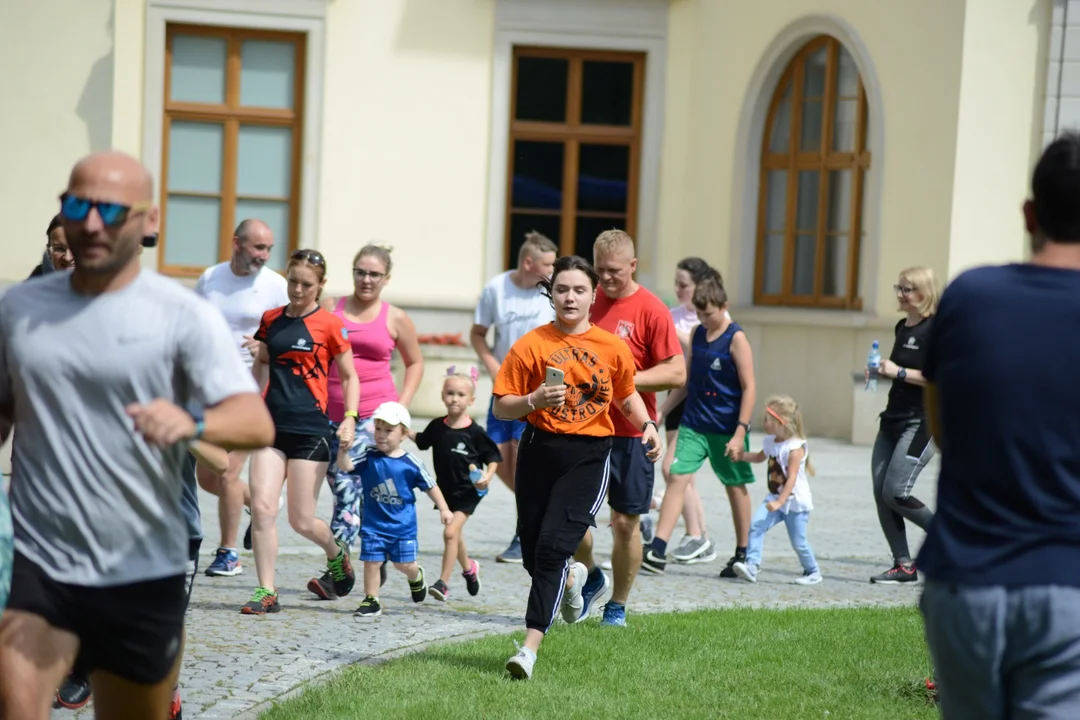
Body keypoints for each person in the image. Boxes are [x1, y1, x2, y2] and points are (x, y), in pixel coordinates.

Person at [0, 150, 274, 719]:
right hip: (40, 560)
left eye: (111, 210)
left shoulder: (181, 313)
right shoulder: (19, 309)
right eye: (78, 206)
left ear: (150, 221)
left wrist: (192, 422)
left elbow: (254, 422)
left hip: (140, 566)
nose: (92, 223)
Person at [918, 133, 1080, 718]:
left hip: (966, 580)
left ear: (1030, 213)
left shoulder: (969, 297)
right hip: (1069, 585)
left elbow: (943, 430)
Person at [493, 255, 662, 680]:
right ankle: (572, 578)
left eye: (579, 290)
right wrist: (534, 400)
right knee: (535, 553)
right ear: (552, 295)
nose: (570, 297)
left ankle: (529, 648)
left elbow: (625, 396)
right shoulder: (532, 344)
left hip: (589, 455)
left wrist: (648, 425)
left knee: (552, 545)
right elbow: (501, 405)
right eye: (562, 289)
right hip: (538, 449)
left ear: (593, 296)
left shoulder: (612, 347)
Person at [572, 230, 684, 628]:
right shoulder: (585, 299)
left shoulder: (651, 309)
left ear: (633, 266)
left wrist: (625, 380)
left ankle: (617, 604)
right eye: (599, 270)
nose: (605, 279)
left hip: (633, 434)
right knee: (574, 521)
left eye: (614, 271)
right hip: (583, 429)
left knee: (625, 522)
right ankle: (592, 575)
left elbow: (676, 370)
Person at [242, 249, 360, 615]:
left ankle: (336, 553)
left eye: (306, 284)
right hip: (270, 428)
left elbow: (350, 375)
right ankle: (266, 590)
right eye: (292, 281)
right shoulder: (271, 320)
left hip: (311, 432)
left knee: (301, 520)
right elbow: (262, 362)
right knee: (262, 507)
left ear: (320, 285)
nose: (297, 289)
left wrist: (351, 417)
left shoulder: (329, 325)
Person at [309, 243, 424, 600]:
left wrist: (398, 411)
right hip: (325, 412)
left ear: (386, 278)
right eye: (361, 272)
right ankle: (376, 556)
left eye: (374, 274)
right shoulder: (332, 308)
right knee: (344, 491)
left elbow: (415, 363)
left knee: (346, 488)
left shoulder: (395, 317)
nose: (366, 279)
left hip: (372, 417)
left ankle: (337, 573)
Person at [641, 278, 757, 577]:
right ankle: (657, 548)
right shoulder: (697, 333)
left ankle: (744, 553)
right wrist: (663, 410)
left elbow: (749, 387)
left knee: (734, 485)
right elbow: (687, 380)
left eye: (710, 314)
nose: (705, 320)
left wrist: (741, 431)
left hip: (726, 428)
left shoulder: (736, 338)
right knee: (676, 476)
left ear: (724, 307)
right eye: (701, 314)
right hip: (694, 424)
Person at [194, 219, 289, 577]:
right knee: (208, 477)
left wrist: (265, 344)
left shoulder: (275, 285)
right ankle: (262, 503)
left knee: (229, 472)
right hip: (212, 388)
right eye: (257, 248)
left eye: (268, 249)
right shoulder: (210, 279)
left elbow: (291, 332)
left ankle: (228, 552)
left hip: (253, 390)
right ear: (236, 243)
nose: (264, 256)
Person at [470, 231, 557, 564]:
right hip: (504, 386)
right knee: (500, 457)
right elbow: (478, 334)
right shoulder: (496, 289)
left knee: (524, 462)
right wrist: (492, 364)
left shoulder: (550, 292)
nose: (553, 270)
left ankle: (526, 533)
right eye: (547, 264)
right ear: (528, 262)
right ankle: (541, 510)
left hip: (536, 391)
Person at [343, 402, 453, 618]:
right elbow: (346, 467)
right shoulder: (368, 457)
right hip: (374, 525)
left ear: (403, 434)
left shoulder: (410, 463)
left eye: (389, 430)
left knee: (403, 564)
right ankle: (371, 600)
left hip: (402, 527)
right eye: (378, 429)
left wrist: (444, 509)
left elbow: (430, 485)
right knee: (371, 562)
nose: (382, 435)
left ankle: (416, 576)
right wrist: (342, 450)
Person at [867, 266, 938, 584]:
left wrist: (897, 372)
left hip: (920, 422)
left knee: (895, 491)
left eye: (906, 289)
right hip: (891, 420)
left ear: (924, 292)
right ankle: (903, 565)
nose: (899, 294)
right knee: (881, 492)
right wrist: (880, 371)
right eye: (898, 287)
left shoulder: (934, 330)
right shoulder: (901, 327)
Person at [410, 367, 501, 601]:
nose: (454, 399)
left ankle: (443, 583)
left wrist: (487, 477)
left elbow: (492, 458)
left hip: (469, 492)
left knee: (450, 532)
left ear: (471, 400)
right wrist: (401, 429)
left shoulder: (475, 432)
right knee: (455, 535)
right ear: (442, 395)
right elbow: (421, 441)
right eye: (450, 393)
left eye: (461, 395)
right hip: (445, 492)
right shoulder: (437, 427)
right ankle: (469, 569)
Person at [656, 257, 724, 565]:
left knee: (673, 468)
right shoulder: (671, 314)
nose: (678, 290)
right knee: (684, 477)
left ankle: (696, 534)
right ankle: (700, 538)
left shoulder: (712, 314)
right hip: (676, 394)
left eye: (684, 285)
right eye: (676, 284)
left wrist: (677, 334)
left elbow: (706, 348)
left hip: (699, 398)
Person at [730, 395, 822, 585]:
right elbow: (758, 457)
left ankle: (813, 572)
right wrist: (741, 456)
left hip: (795, 503)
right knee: (756, 526)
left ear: (781, 423)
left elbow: (792, 478)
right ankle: (752, 566)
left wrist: (781, 501)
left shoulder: (795, 448)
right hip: (774, 498)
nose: (763, 423)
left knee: (799, 543)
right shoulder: (770, 441)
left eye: (767, 420)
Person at [26, 214, 74, 279]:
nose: (67, 258)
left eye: (76, 248)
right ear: (49, 253)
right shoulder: (36, 281)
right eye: (59, 249)